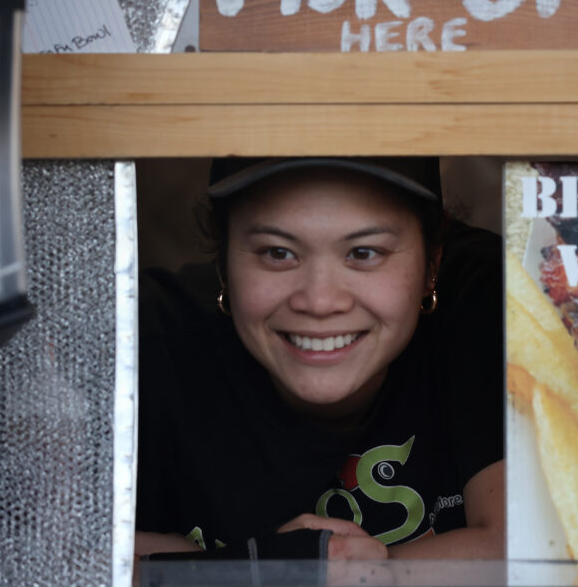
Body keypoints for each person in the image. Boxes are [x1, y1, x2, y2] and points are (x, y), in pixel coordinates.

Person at [133, 157, 505, 561]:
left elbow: (535, 549)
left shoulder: (491, 305)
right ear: (223, 264)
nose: (320, 301)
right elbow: (71, 559)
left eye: (363, 252)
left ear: (432, 265)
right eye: (278, 253)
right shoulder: (143, 338)